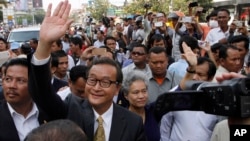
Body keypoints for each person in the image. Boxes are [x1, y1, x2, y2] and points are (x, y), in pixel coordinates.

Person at [29, 1, 146, 141]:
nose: (96, 88)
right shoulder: (71, 109)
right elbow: (42, 93)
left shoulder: (133, 122)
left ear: (117, 89)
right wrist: (44, 43)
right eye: (92, 80)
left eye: (105, 82)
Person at [160, 42, 218, 141]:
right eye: (193, 72)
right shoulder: (175, 94)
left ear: (210, 78)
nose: (195, 77)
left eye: (200, 74)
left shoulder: (217, 99)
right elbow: (165, 125)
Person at [0, 58, 49, 141]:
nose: (12, 85)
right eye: (8, 79)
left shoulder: (49, 112)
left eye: (21, 81)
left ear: (34, 84)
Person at [122, 71, 160, 141]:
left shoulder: (153, 111)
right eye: (136, 92)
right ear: (126, 95)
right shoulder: (121, 118)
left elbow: (178, 90)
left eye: (144, 91)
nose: (141, 96)